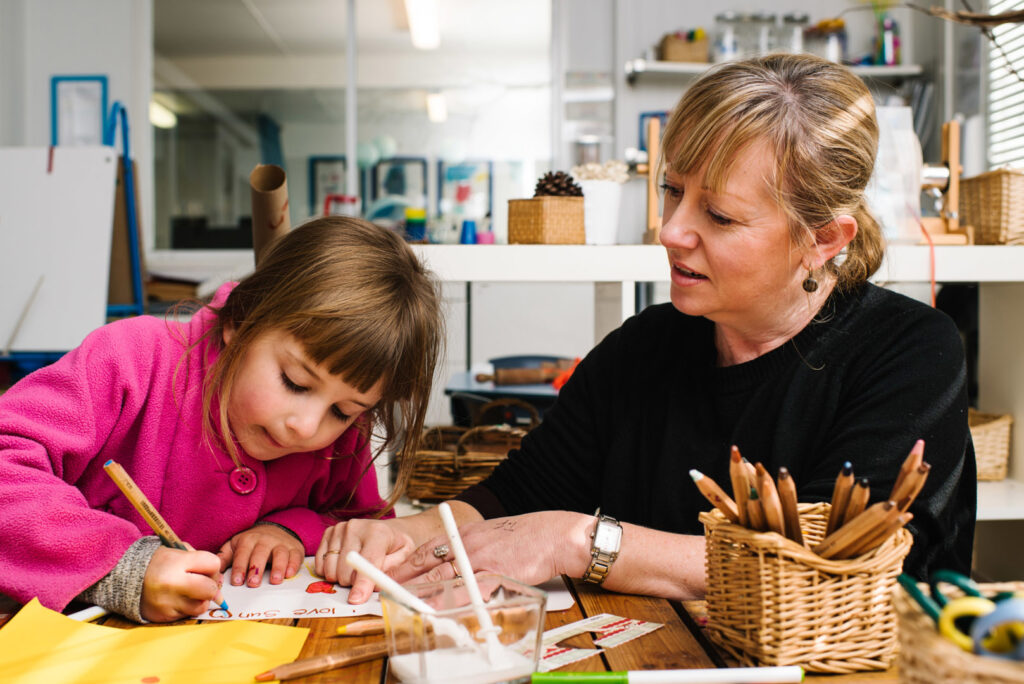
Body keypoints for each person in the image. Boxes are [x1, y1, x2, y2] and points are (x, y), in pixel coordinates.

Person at [316, 53, 976, 603]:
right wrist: (409, 534)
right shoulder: (646, 346)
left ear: (823, 239)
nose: (671, 231)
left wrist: (580, 543)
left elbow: (823, 568)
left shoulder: (912, 354)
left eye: (718, 216)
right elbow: (519, 493)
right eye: (672, 190)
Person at [0, 217, 442, 622]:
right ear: (240, 322)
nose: (307, 427)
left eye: (342, 412)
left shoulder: (344, 433)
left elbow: (359, 524)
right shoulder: (130, 359)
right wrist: (121, 566)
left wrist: (291, 529)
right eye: (294, 382)